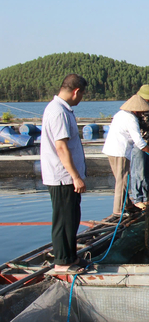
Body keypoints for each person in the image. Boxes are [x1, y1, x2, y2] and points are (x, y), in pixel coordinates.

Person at [40, 74, 90, 274]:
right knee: (63, 219)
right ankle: (62, 262)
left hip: (67, 177)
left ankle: (71, 257)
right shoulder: (58, 111)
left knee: (72, 217)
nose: (81, 99)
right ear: (76, 91)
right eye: (82, 95)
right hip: (62, 177)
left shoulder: (62, 110)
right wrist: (75, 176)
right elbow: (61, 147)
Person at [102, 94, 149, 216]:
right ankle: (118, 211)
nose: (141, 113)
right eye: (141, 111)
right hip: (119, 152)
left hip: (111, 150)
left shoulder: (120, 115)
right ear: (136, 109)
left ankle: (127, 203)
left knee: (121, 178)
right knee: (122, 181)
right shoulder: (131, 119)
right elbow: (139, 141)